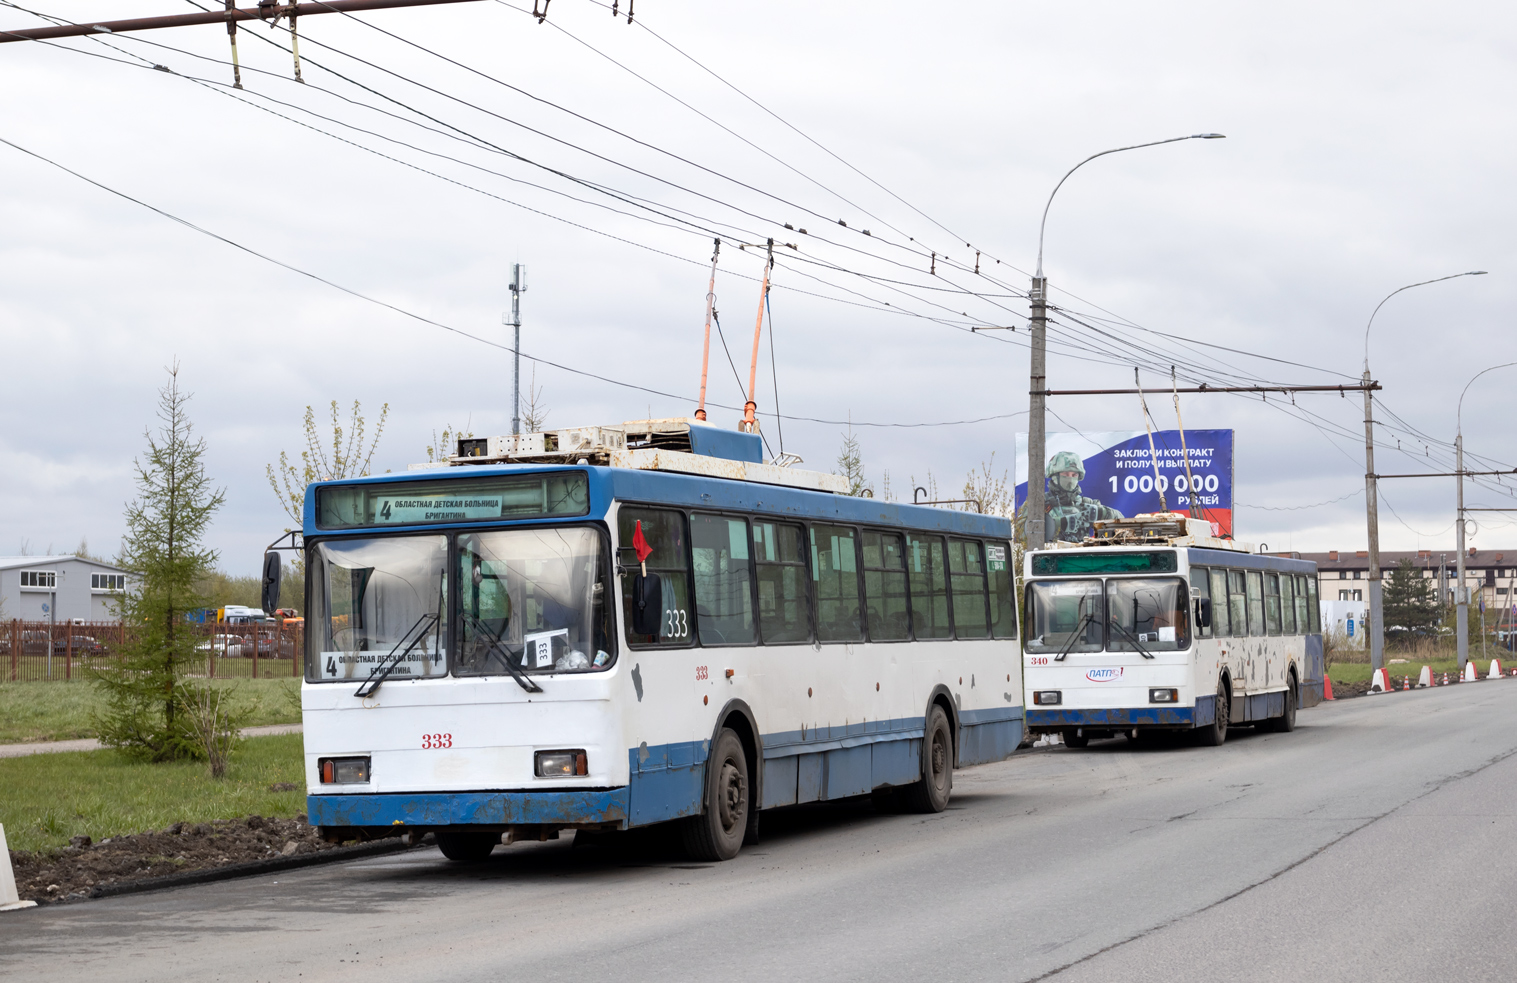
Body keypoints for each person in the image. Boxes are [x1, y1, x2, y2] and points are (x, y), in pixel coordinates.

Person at [1044, 450, 1124, 542]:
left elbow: (1122, 522)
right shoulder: (1040, 504)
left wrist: (1102, 513)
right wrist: (1059, 524)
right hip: (1049, 555)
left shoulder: (1086, 503)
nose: (1070, 479)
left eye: (1074, 475)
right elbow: (1026, 532)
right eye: (1065, 474)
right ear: (1054, 476)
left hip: (1082, 555)